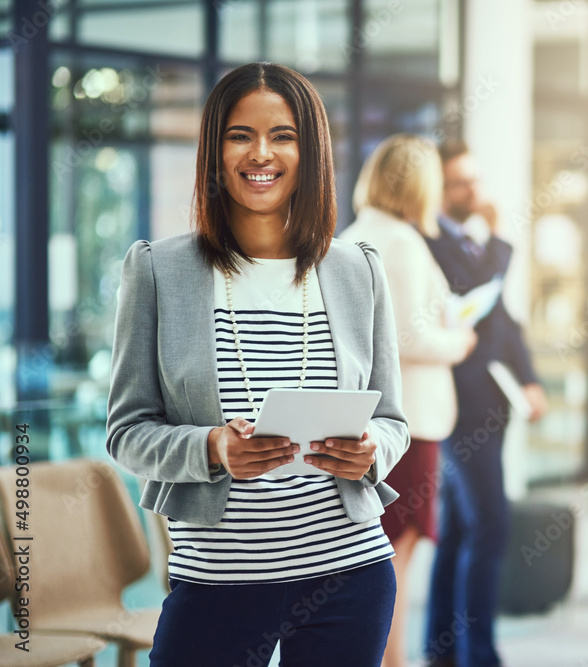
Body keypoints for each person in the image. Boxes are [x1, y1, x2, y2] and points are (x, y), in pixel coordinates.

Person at [105, 62, 408, 666]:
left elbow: (395, 420)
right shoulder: (159, 271)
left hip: (348, 574)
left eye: (284, 135)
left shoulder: (358, 270)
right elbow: (126, 433)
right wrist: (213, 447)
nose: (261, 153)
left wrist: (371, 446)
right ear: (214, 150)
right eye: (240, 134)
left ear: (311, 152)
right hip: (215, 583)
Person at [339, 134, 477, 667]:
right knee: (398, 551)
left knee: (379, 552)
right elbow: (407, 339)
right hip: (410, 421)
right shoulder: (401, 241)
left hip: (371, 418)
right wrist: (459, 343)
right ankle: (392, 659)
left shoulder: (354, 234)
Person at [423, 140, 547, 667]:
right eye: (459, 182)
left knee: (458, 528)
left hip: (492, 401)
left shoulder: (477, 242)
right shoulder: (432, 244)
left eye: (476, 179)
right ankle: (480, 655)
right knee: (490, 525)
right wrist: (493, 235)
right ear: (439, 189)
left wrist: (530, 380)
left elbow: (504, 321)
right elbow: (475, 293)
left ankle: (441, 648)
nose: (472, 190)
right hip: (459, 405)